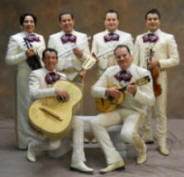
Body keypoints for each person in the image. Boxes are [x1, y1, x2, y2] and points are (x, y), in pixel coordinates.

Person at [90, 45, 155, 173]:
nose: (122, 58)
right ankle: (113, 158)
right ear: (115, 58)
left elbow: (151, 100)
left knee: (126, 135)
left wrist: (136, 92)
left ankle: (142, 148)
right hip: (117, 110)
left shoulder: (143, 74)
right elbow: (93, 90)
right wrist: (107, 91)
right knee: (95, 122)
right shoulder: (110, 71)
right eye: (118, 56)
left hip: (136, 112)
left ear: (131, 56)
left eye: (124, 55)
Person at [28, 48, 93, 173]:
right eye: (48, 58)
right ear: (42, 60)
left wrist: (80, 81)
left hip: (58, 111)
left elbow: (70, 94)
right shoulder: (36, 74)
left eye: (53, 58)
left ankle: (77, 161)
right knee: (54, 145)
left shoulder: (62, 76)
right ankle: (32, 146)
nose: (51, 60)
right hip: (43, 111)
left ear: (57, 60)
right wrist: (54, 91)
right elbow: (33, 94)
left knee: (78, 122)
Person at [134, 8, 180, 156]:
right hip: (142, 78)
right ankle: (147, 136)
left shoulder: (168, 38)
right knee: (144, 108)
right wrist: (135, 77)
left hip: (159, 78)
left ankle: (162, 141)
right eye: (149, 19)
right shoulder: (139, 38)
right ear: (146, 21)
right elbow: (135, 60)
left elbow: (175, 59)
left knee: (160, 111)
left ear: (159, 21)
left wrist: (158, 63)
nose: (152, 21)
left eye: (155, 19)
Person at [5, 13, 46, 149]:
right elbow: (9, 60)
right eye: (26, 21)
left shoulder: (40, 38)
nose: (29, 24)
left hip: (38, 74)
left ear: (35, 24)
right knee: (24, 107)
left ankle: (39, 138)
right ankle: (25, 142)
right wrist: (24, 55)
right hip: (24, 75)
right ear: (21, 24)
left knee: (38, 106)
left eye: (31, 21)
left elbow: (45, 57)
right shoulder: (15, 38)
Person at [91, 9, 134, 76]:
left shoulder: (127, 37)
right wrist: (94, 60)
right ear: (104, 22)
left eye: (113, 20)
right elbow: (93, 58)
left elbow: (132, 57)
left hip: (122, 73)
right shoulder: (96, 37)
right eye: (108, 20)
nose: (111, 22)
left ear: (118, 22)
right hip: (102, 74)